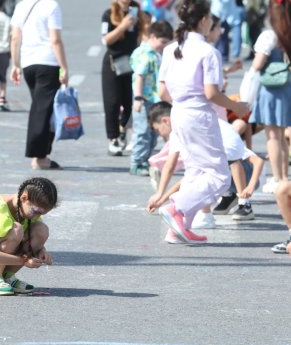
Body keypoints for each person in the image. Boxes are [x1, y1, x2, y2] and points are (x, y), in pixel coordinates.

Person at [156, 0, 249, 244]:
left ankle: (179, 228)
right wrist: (237, 107)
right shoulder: (208, 52)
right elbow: (211, 93)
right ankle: (177, 208)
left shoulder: (170, 49)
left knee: (196, 171)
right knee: (219, 176)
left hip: (178, 112)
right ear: (204, 20)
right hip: (199, 114)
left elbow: (162, 92)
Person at [248, 0, 291, 194]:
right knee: (281, 136)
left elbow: (257, 64)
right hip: (290, 87)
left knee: (272, 136)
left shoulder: (269, 35)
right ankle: (284, 177)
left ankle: (276, 178)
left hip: (271, 89)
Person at [10, 0, 69, 170]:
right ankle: (39, 157)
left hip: (28, 64)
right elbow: (55, 40)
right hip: (48, 63)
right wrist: (64, 67)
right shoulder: (51, 6)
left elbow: (15, 38)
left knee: (42, 109)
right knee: (42, 111)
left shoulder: (21, 6)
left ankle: (42, 153)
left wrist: (15, 64)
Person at [101, 0, 147, 156]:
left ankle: (123, 130)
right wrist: (123, 26)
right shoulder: (108, 14)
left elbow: (143, 37)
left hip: (132, 63)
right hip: (113, 64)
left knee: (129, 103)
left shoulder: (137, 13)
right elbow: (106, 40)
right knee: (112, 103)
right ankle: (113, 138)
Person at [129, 20, 173, 176]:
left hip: (153, 100)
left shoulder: (154, 53)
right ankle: (137, 162)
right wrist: (138, 98)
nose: (164, 46)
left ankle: (146, 160)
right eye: (162, 42)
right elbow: (139, 76)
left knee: (153, 132)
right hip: (144, 100)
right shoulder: (145, 54)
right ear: (152, 36)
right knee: (142, 132)